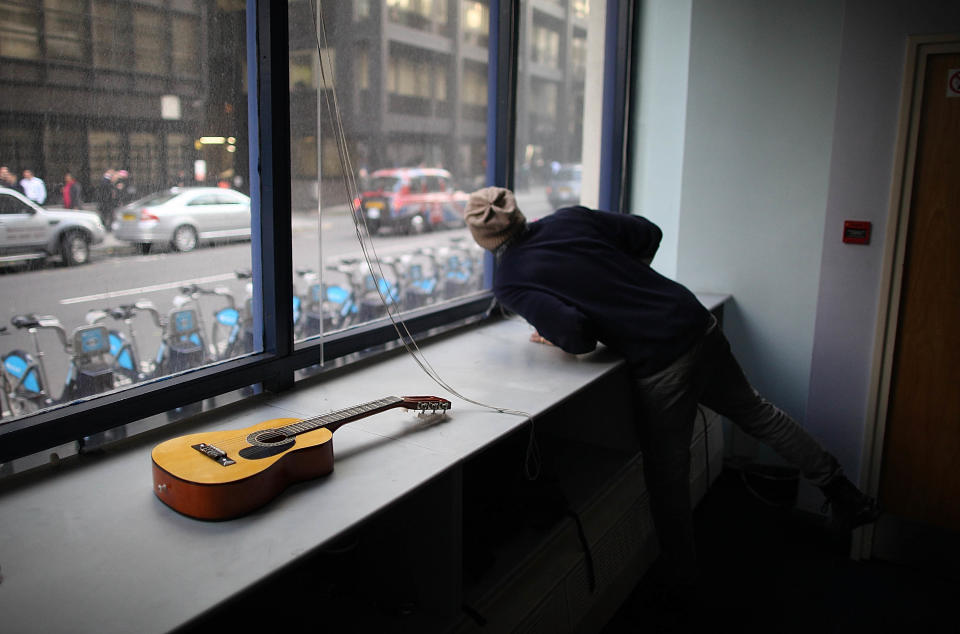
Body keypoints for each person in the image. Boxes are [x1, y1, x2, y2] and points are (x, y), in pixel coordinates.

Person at [463, 186, 880, 592]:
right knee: (758, 414)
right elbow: (649, 232)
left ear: (484, 240)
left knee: (667, 477)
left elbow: (578, 337)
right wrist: (628, 285)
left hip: (661, 360)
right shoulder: (570, 218)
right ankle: (843, 493)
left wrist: (555, 332)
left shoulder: (511, 279)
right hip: (693, 321)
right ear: (517, 212)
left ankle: (681, 581)